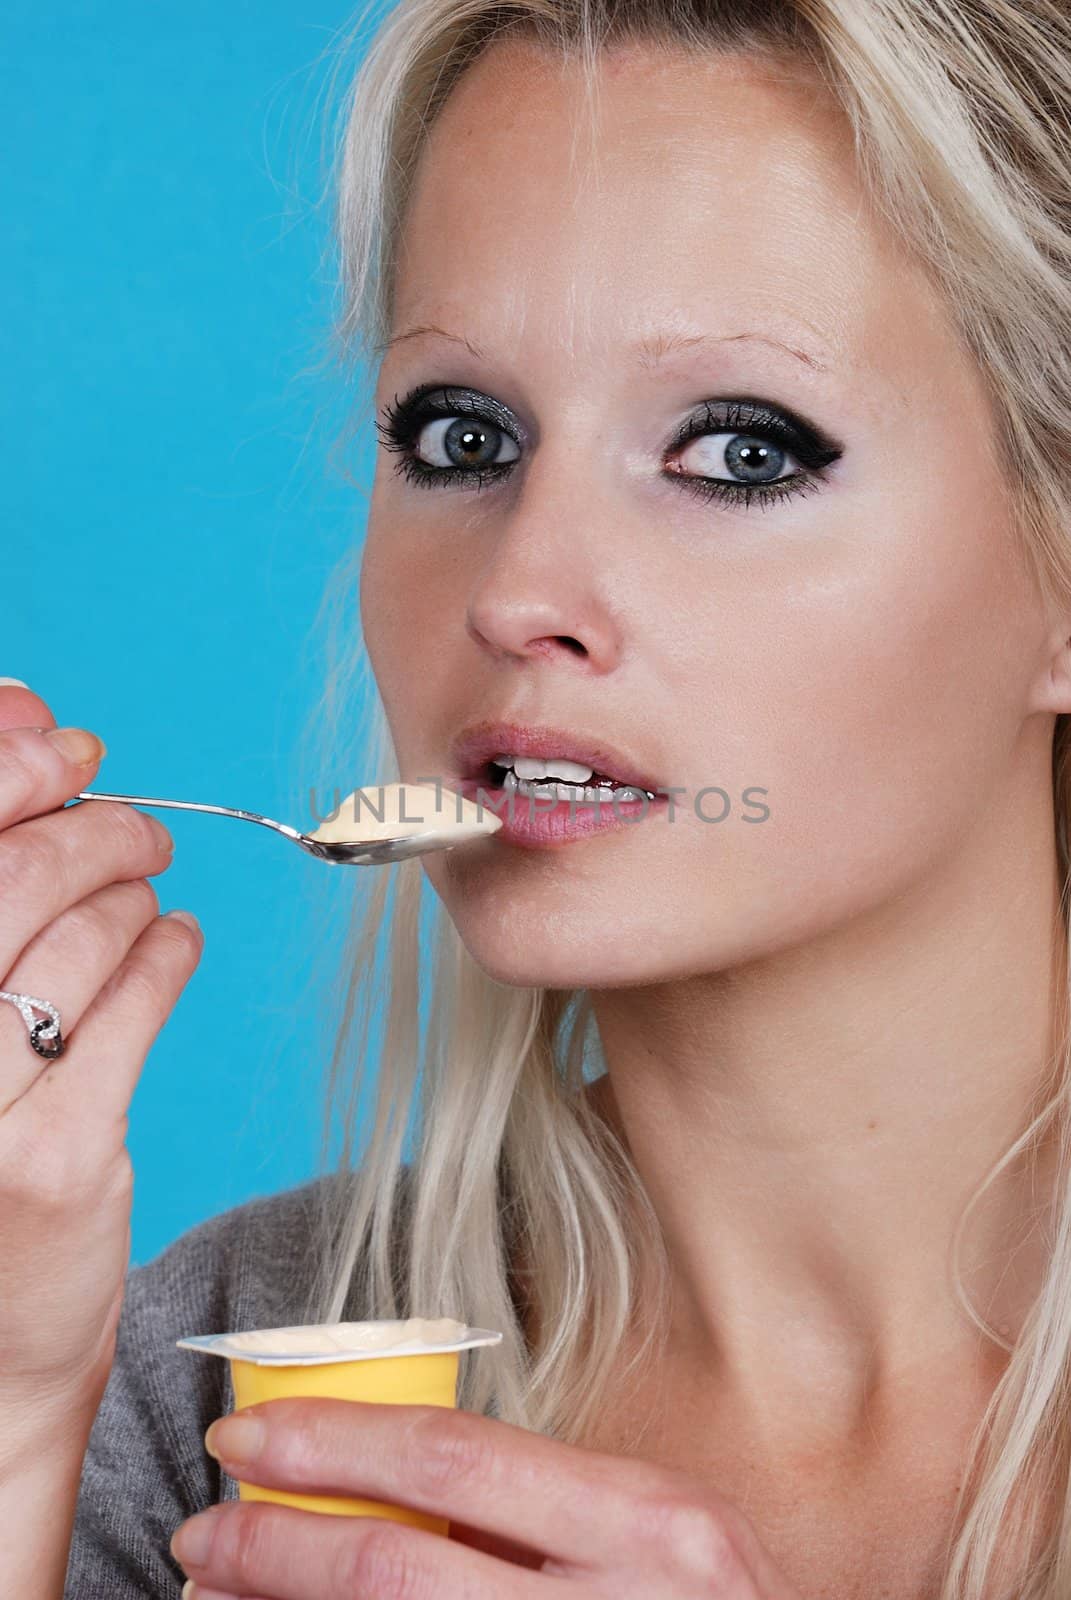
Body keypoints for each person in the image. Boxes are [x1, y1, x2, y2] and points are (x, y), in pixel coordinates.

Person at [5, 0, 1071, 1594]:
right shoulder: (213, 1391)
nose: (517, 590)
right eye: (463, 434)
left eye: (741, 453)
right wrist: (17, 1432)